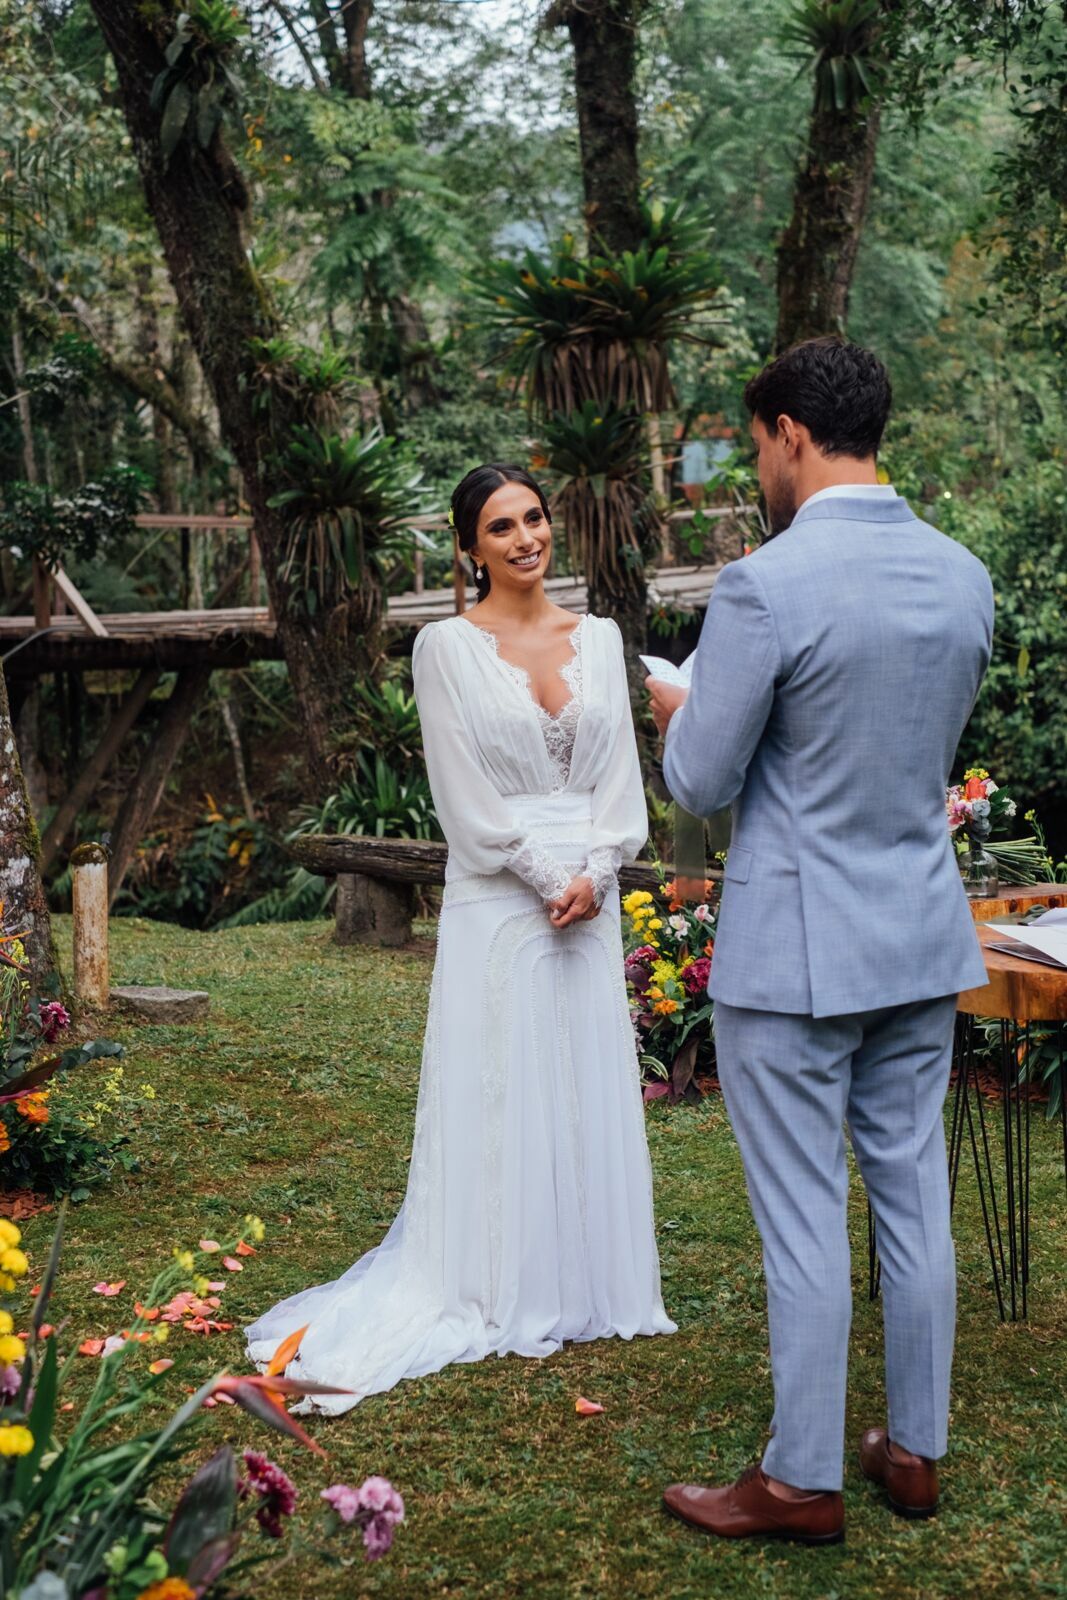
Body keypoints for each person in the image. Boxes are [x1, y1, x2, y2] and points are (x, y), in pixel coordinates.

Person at [649, 339, 993, 1543]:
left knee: (801, 1214)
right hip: (914, 935)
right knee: (912, 1198)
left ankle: (798, 1478)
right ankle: (914, 1451)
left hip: (793, 954)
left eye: (754, 444)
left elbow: (698, 779)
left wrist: (674, 704)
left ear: (790, 432)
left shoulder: (763, 584)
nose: (757, 467)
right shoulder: (962, 576)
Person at [246, 463, 675, 1412]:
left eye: (533, 518)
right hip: (499, 890)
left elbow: (619, 784)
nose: (525, 538)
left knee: (580, 1080)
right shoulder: (444, 648)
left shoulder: (601, 640)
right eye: (500, 527)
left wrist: (598, 875)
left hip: (590, 895)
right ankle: (493, 1284)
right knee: (503, 1083)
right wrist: (540, 876)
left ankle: (594, 1285)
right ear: (469, 548)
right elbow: (460, 796)